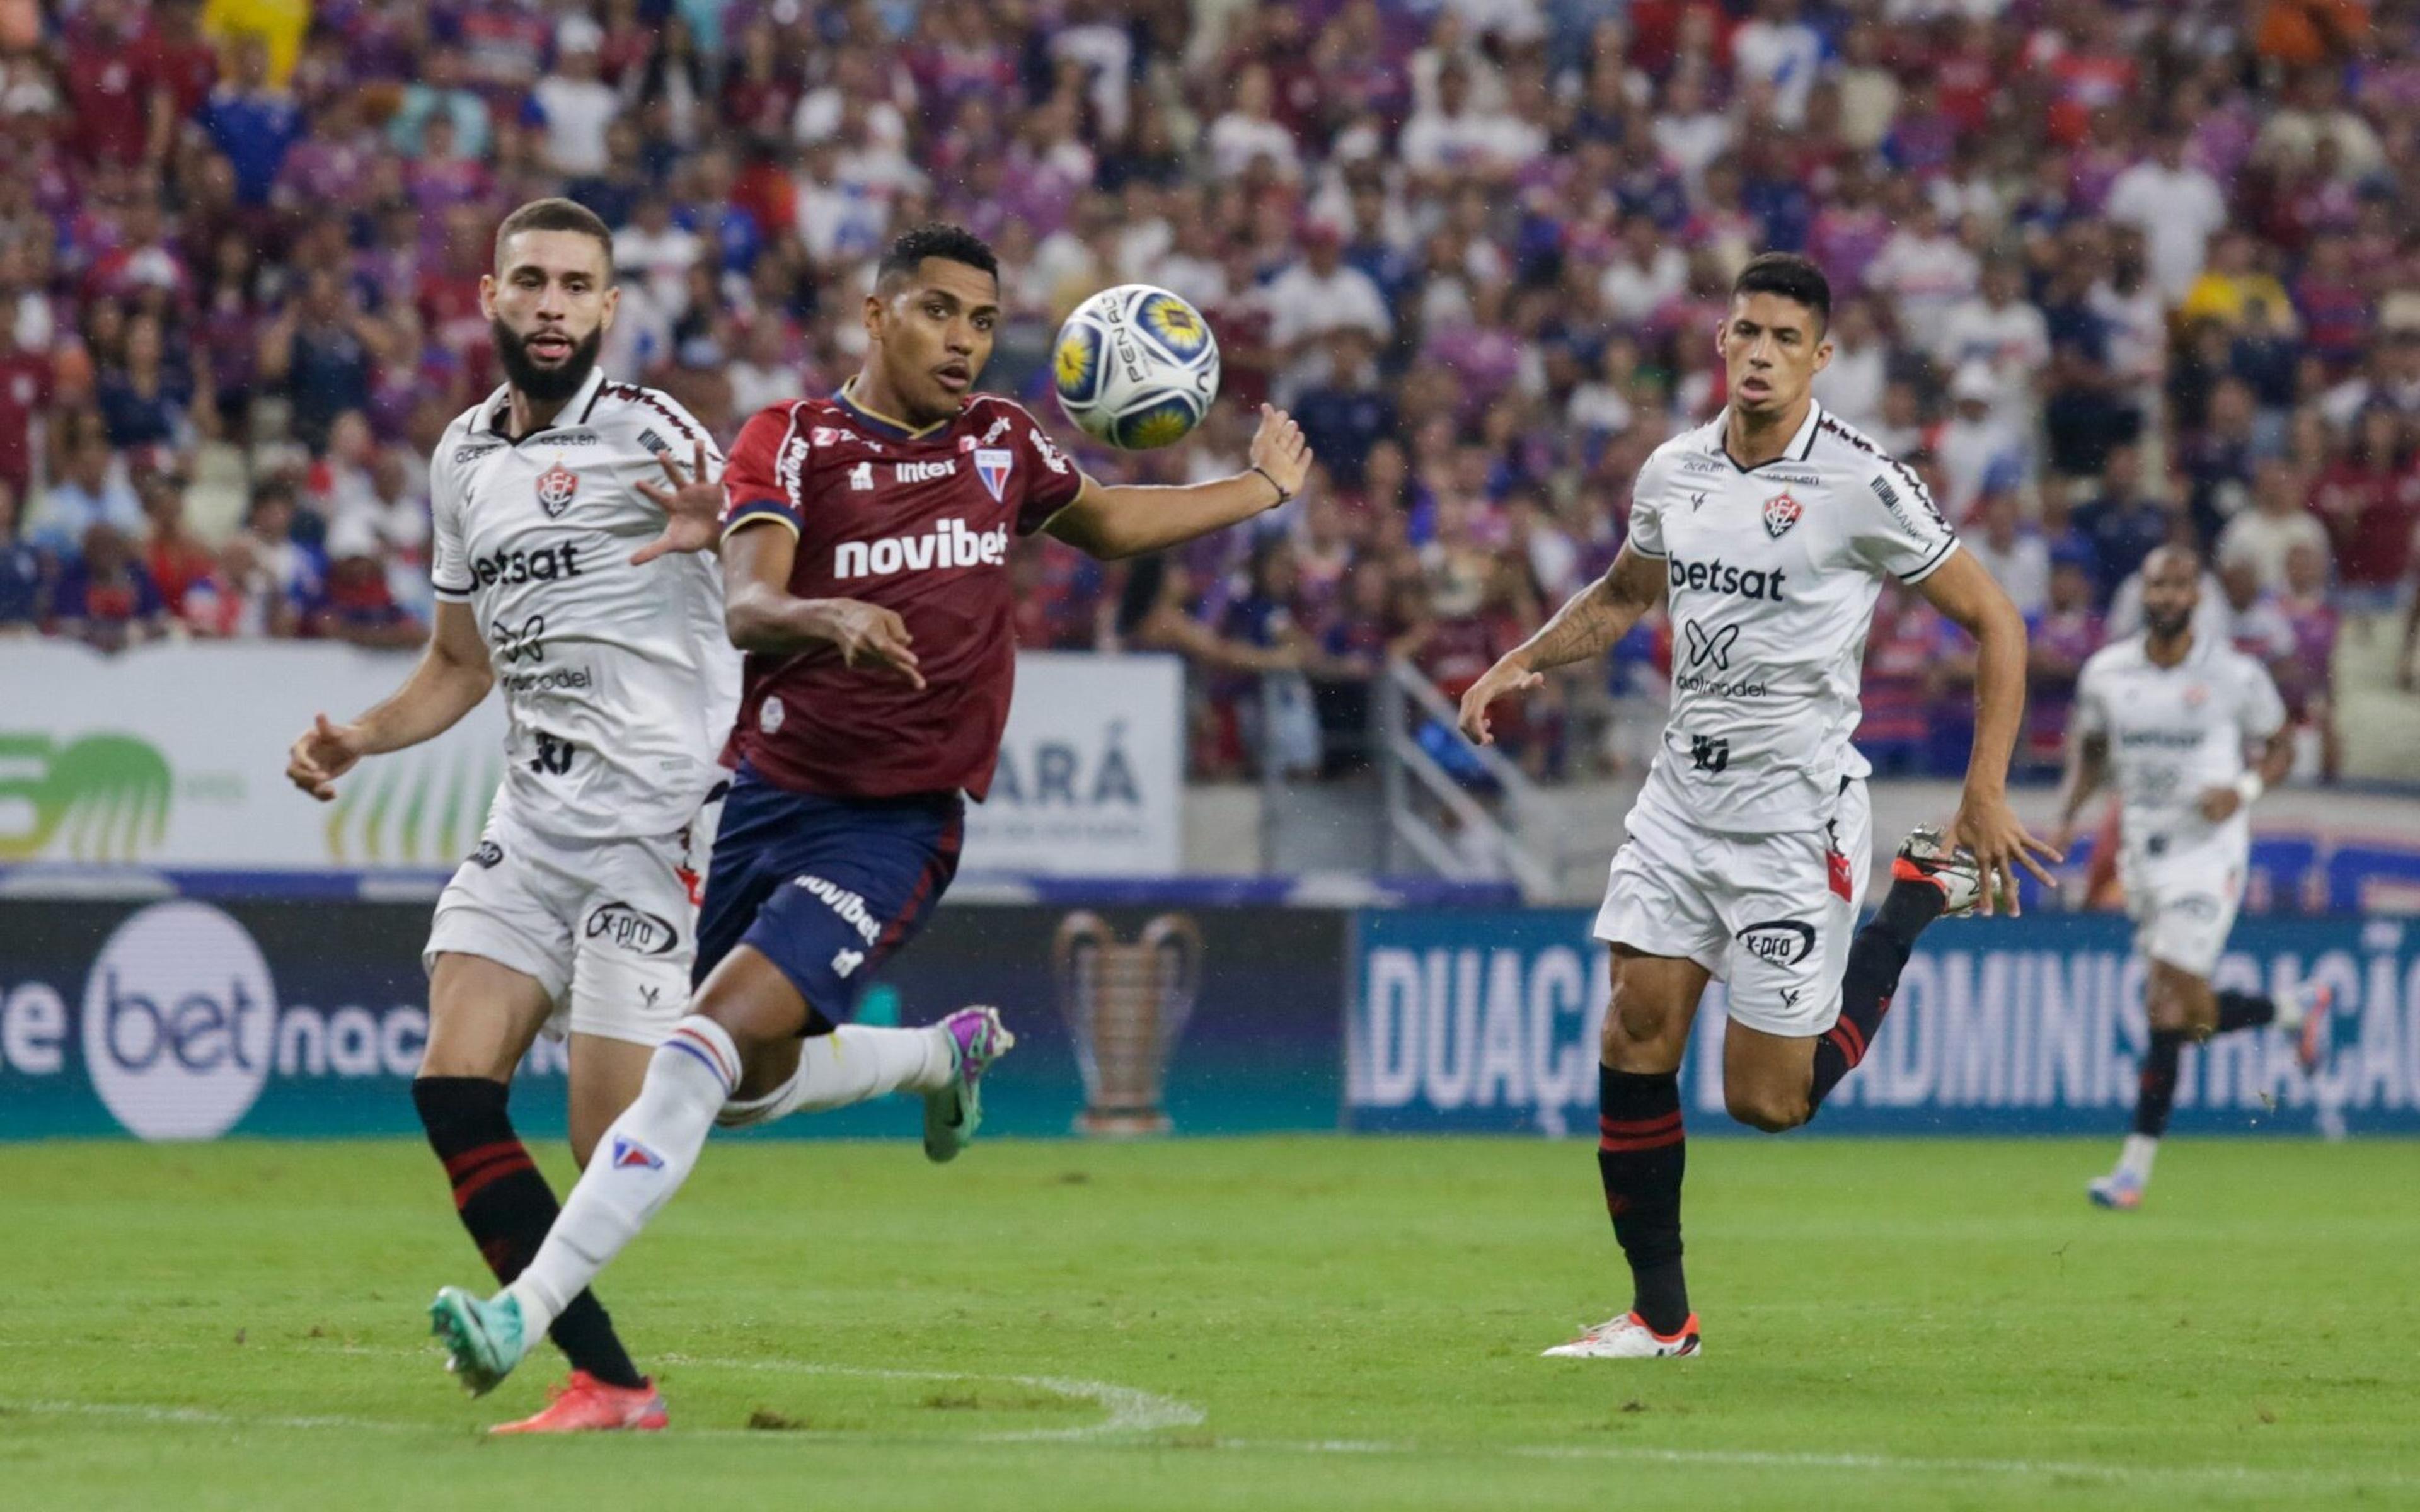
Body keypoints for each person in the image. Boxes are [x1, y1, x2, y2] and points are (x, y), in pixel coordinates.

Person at [425, 223, 1313, 1393]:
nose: (965, 342)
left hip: (895, 824)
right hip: (764, 801)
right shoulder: (791, 441)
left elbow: (1104, 523)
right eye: (940, 312)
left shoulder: (1002, 444)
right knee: (735, 1086)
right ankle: (933, 1058)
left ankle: (520, 1322)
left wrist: (1257, 489)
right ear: (875, 312)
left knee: (696, 1050)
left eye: (986, 323)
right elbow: (746, 600)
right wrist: (824, 616)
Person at [1456, 253, 2056, 1360]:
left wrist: (1984, 790)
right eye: (1746, 334)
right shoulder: (1675, 471)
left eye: (1786, 338)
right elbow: (1627, 594)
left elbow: (1998, 621)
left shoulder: (1865, 483)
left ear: (1821, 359)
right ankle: (1660, 1317)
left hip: (1793, 822)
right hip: (1682, 802)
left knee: (1769, 1101)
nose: (1762, 355)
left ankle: (1913, 905)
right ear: (1721, 345)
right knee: (1637, 1020)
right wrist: (1522, 661)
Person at [284, 198, 766, 1436]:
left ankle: (910, 1056)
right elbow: (458, 664)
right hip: (536, 817)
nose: (553, 303)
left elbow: (766, 567)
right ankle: (610, 1381)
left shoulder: (654, 434)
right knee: (452, 1084)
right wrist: (362, 737)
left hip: (658, 825)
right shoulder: (462, 460)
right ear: (493, 298)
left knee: (618, 1134)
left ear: (610, 311)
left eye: (577, 286)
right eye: (532, 281)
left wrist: (738, 538)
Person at [2053, 546, 2331, 1212]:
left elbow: (2283, 745)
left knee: (2169, 1006)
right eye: (2158, 585)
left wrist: (2241, 788)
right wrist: (2066, 819)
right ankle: (2291, 1010)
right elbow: (2093, 750)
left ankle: (2132, 1174)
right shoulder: (2107, 672)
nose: (2169, 597)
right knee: (2187, 1014)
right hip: (2142, 859)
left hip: (2208, 855)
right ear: (2144, 594)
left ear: (2198, 597)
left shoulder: (2236, 674)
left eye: (2181, 585)